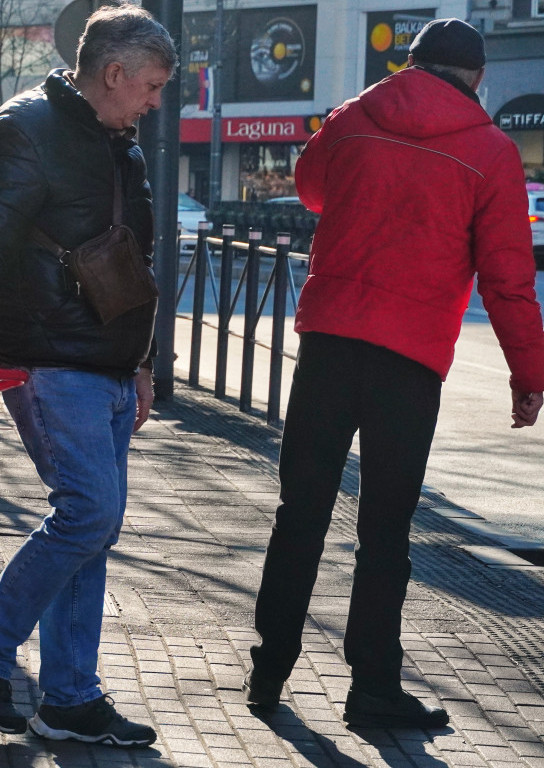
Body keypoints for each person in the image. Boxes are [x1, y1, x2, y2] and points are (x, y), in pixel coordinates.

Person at [246, 18, 544, 729]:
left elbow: (311, 189)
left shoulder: (354, 117)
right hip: (409, 360)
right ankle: (373, 689)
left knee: (300, 513)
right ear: (477, 78)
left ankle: (269, 672)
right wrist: (528, 374)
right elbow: (508, 279)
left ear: (410, 63)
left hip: (329, 342)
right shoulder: (492, 151)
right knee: (385, 529)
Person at [0, 5, 175, 748]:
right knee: (89, 515)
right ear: (114, 73)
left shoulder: (119, 142)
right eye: (151, 86)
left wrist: (142, 364)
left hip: (110, 364)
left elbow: (135, 260)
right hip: (51, 359)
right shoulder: (25, 128)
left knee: (91, 530)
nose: (155, 101)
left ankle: (71, 698)